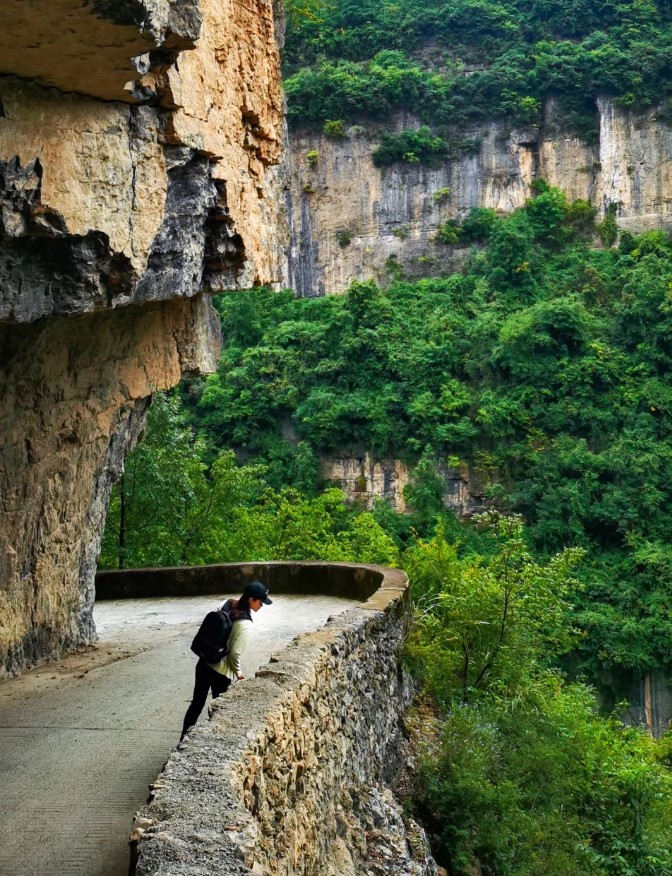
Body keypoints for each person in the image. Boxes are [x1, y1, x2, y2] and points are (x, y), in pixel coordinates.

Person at [180, 580, 272, 740]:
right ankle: (213, 741)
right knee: (219, 710)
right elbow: (235, 653)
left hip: (204, 662)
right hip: (221, 672)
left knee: (196, 704)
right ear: (251, 600)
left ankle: (183, 739)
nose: (262, 605)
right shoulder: (246, 625)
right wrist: (239, 673)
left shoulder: (226, 603)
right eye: (260, 602)